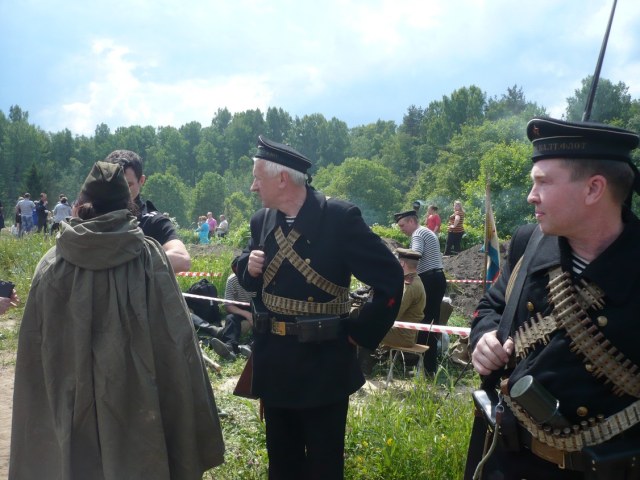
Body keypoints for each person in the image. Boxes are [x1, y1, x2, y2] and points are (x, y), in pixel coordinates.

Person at [9, 162, 224, 479]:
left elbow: (35, 351)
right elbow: (176, 344)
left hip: (70, 400)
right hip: (139, 408)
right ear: (129, 204)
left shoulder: (50, 264)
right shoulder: (150, 258)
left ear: (81, 205)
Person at [467, 117, 640, 480]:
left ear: (593, 189)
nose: (531, 196)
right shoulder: (528, 242)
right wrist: (483, 337)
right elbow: (492, 307)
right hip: (507, 459)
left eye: (543, 182)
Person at [237, 135, 403, 480]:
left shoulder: (339, 218)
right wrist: (247, 267)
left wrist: (359, 332)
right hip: (275, 363)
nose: (253, 186)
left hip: (323, 366)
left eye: (257, 178)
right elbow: (252, 278)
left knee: (324, 466)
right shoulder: (261, 220)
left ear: (282, 179)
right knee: (282, 466)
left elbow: (389, 277)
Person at [105, 149, 191, 273]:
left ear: (141, 180)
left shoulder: (152, 220)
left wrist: (130, 267)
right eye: (115, 185)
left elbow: (182, 259)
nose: (121, 192)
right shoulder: (92, 216)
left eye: (128, 185)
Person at [395, 209, 446, 375]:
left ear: (411, 221)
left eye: (402, 225)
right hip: (437, 278)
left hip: (429, 280)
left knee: (424, 323)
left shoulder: (417, 234)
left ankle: (425, 368)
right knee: (431, 323)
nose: (401, 229)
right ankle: (428, 367)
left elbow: (414, 255)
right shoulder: (426, 231)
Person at [208, 256, 254, 361]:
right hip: (240, 308)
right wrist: (246, 314)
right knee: (230, 318)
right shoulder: (232, 280)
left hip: (258, 307)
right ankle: (230, 347)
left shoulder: (260, 279)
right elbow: (228, 305)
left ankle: (250, 346)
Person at [379, 248, 426, 348]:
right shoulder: (415, 279)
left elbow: (395, 313)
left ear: (402, 264)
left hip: (402, 336)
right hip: (404, 333)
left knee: (362, 331)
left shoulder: (410, 286)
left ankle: (361, 358)